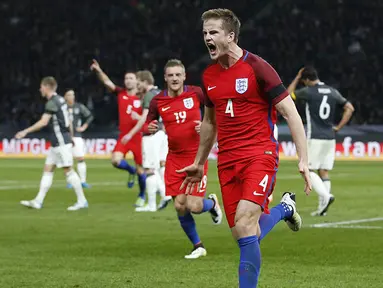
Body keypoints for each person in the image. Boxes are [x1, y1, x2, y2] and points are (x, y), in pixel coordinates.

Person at [177, 9, 311, 287]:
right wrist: (199, 163)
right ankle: (285, 209)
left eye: (213, 32)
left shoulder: (258, 68)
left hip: (259, 155)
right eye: (204, 33)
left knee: (246, 221)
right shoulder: (209, 75)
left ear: (231, 35)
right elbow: (210, 123)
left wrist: (303, 160)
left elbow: (291, 113)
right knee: (245, 233)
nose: (207, 38)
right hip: (227, 161)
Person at [145, 59, 223, 259]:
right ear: (165, 78)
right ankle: (198, 245)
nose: (174, 78)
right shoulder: (157, 101)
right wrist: (151, 127)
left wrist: (205, 126)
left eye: (178, 75)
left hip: (197, 157)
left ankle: (212, 205)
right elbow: (149, 123)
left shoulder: (196, 93)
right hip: (174, 159)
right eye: (170, 75)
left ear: (184, 76)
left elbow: (214, 115)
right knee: (180, 206)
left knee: (194, 206)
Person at [288, 66, 354, 216]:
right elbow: (350, 108)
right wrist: (338, 127)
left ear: (306, 80)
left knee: (307, 169)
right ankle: (322, 208)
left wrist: (297, 78)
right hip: (330, 136)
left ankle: (326, 196)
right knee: (323, 171)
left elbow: (286, 96)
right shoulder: (332, 91)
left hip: (314, 136)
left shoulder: (308, 91)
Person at [17, 77, 88, 211]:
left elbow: (43, 122)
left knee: (68, 170)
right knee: (48, 169)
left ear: (47, 87)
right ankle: (38, 201)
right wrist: (71, 137)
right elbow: (69, 122)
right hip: (58, 142)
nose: (40, 89)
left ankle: (82, 201)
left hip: (61, 141)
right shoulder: (61, 100)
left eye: (41, 87)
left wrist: (25, 131)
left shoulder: (52, 102)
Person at [90, 60, 146, 207]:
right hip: (124, 136)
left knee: (142, 170)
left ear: (136, 81)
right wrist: (98, 70)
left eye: (131, 78)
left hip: (138, 138)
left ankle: (141, 195)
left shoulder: (143, 97)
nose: (128, 81)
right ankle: (130, 170)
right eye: (126, 78)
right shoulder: (121, 93)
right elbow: (107, 82)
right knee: (115, 160)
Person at [64, 89, 94, 188]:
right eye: (69, 95)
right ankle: (70, 182)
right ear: (65, 97)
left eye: (73, 95)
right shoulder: (62, 108)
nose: (71, 97)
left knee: (80, 158)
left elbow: (90, 116)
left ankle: (82, 181)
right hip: (65, 136)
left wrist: (84, 127)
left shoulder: (79, 106)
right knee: (68, 160)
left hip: (77, 136)